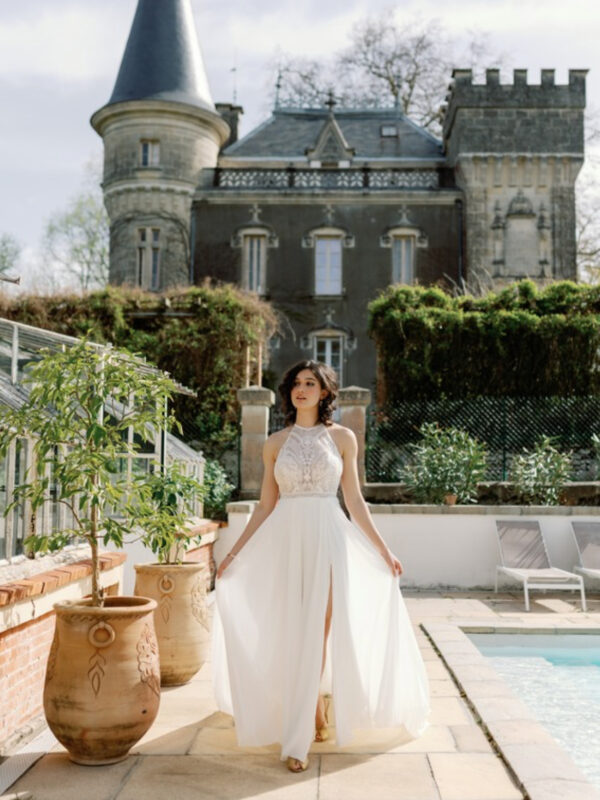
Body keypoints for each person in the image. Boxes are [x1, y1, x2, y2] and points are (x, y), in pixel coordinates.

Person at [212, 360, 429, 773]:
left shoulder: (344, 438)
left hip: (330, 539)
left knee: (318, 632)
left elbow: (355, 501)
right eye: (296, 383)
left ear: (326, 392)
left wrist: (383, 549)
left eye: (310, 383)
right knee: (295, 632)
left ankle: (298, 741)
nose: (301, 389)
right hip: (285, 541)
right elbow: (264, 507)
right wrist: (235, 553)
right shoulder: (275, 443)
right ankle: (310, 714)